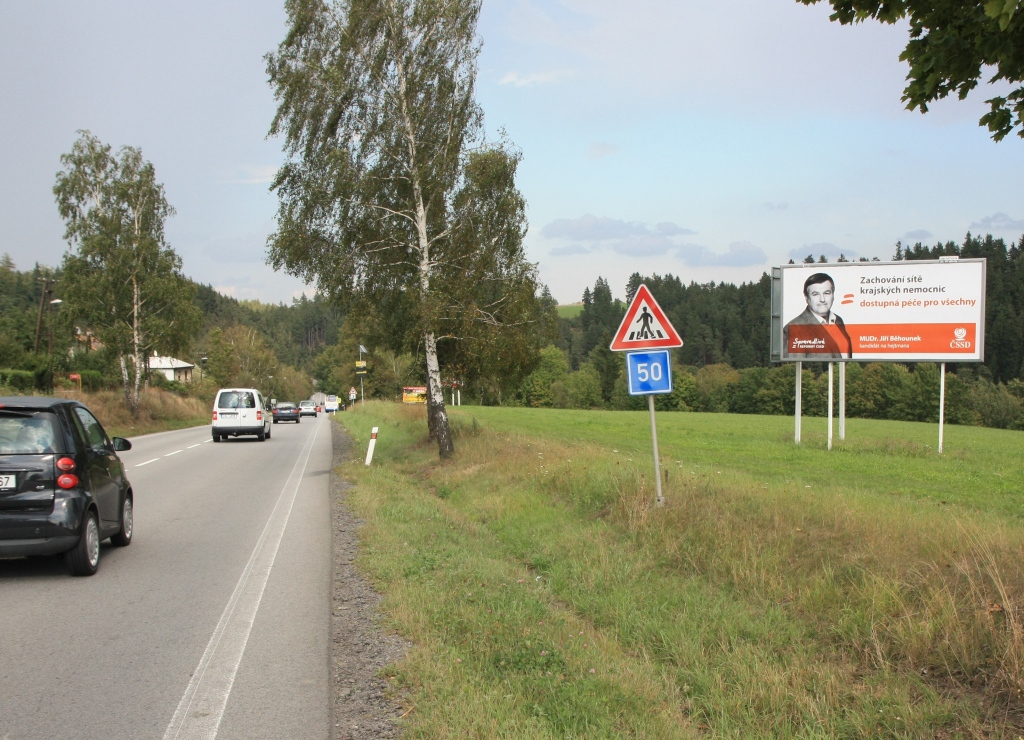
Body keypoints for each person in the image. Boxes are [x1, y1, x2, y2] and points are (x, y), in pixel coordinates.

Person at [783, 272, 852, 359]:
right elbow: (794, 366)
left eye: (827, 293)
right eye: (815, 294)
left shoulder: (838, 320)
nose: (822, 299)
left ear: (833, 295)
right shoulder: (795, 328)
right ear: (807, 298)